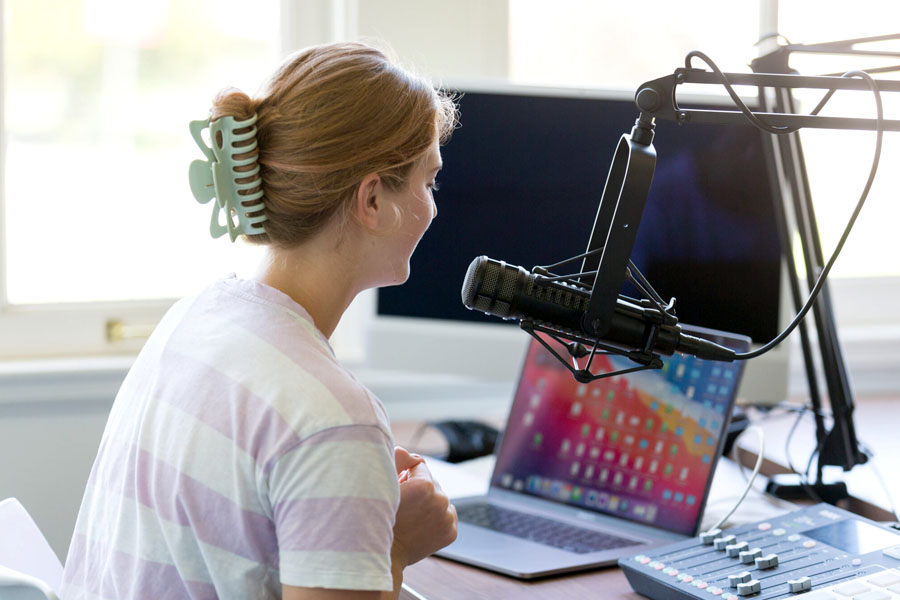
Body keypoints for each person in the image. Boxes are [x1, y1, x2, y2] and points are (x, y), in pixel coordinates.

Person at [60, 42, 460, 600]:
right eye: (428, 181)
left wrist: (348, 502)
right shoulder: (333, 420)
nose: (433, 206)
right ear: (372, 200)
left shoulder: (193, 320)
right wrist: (393, 549)